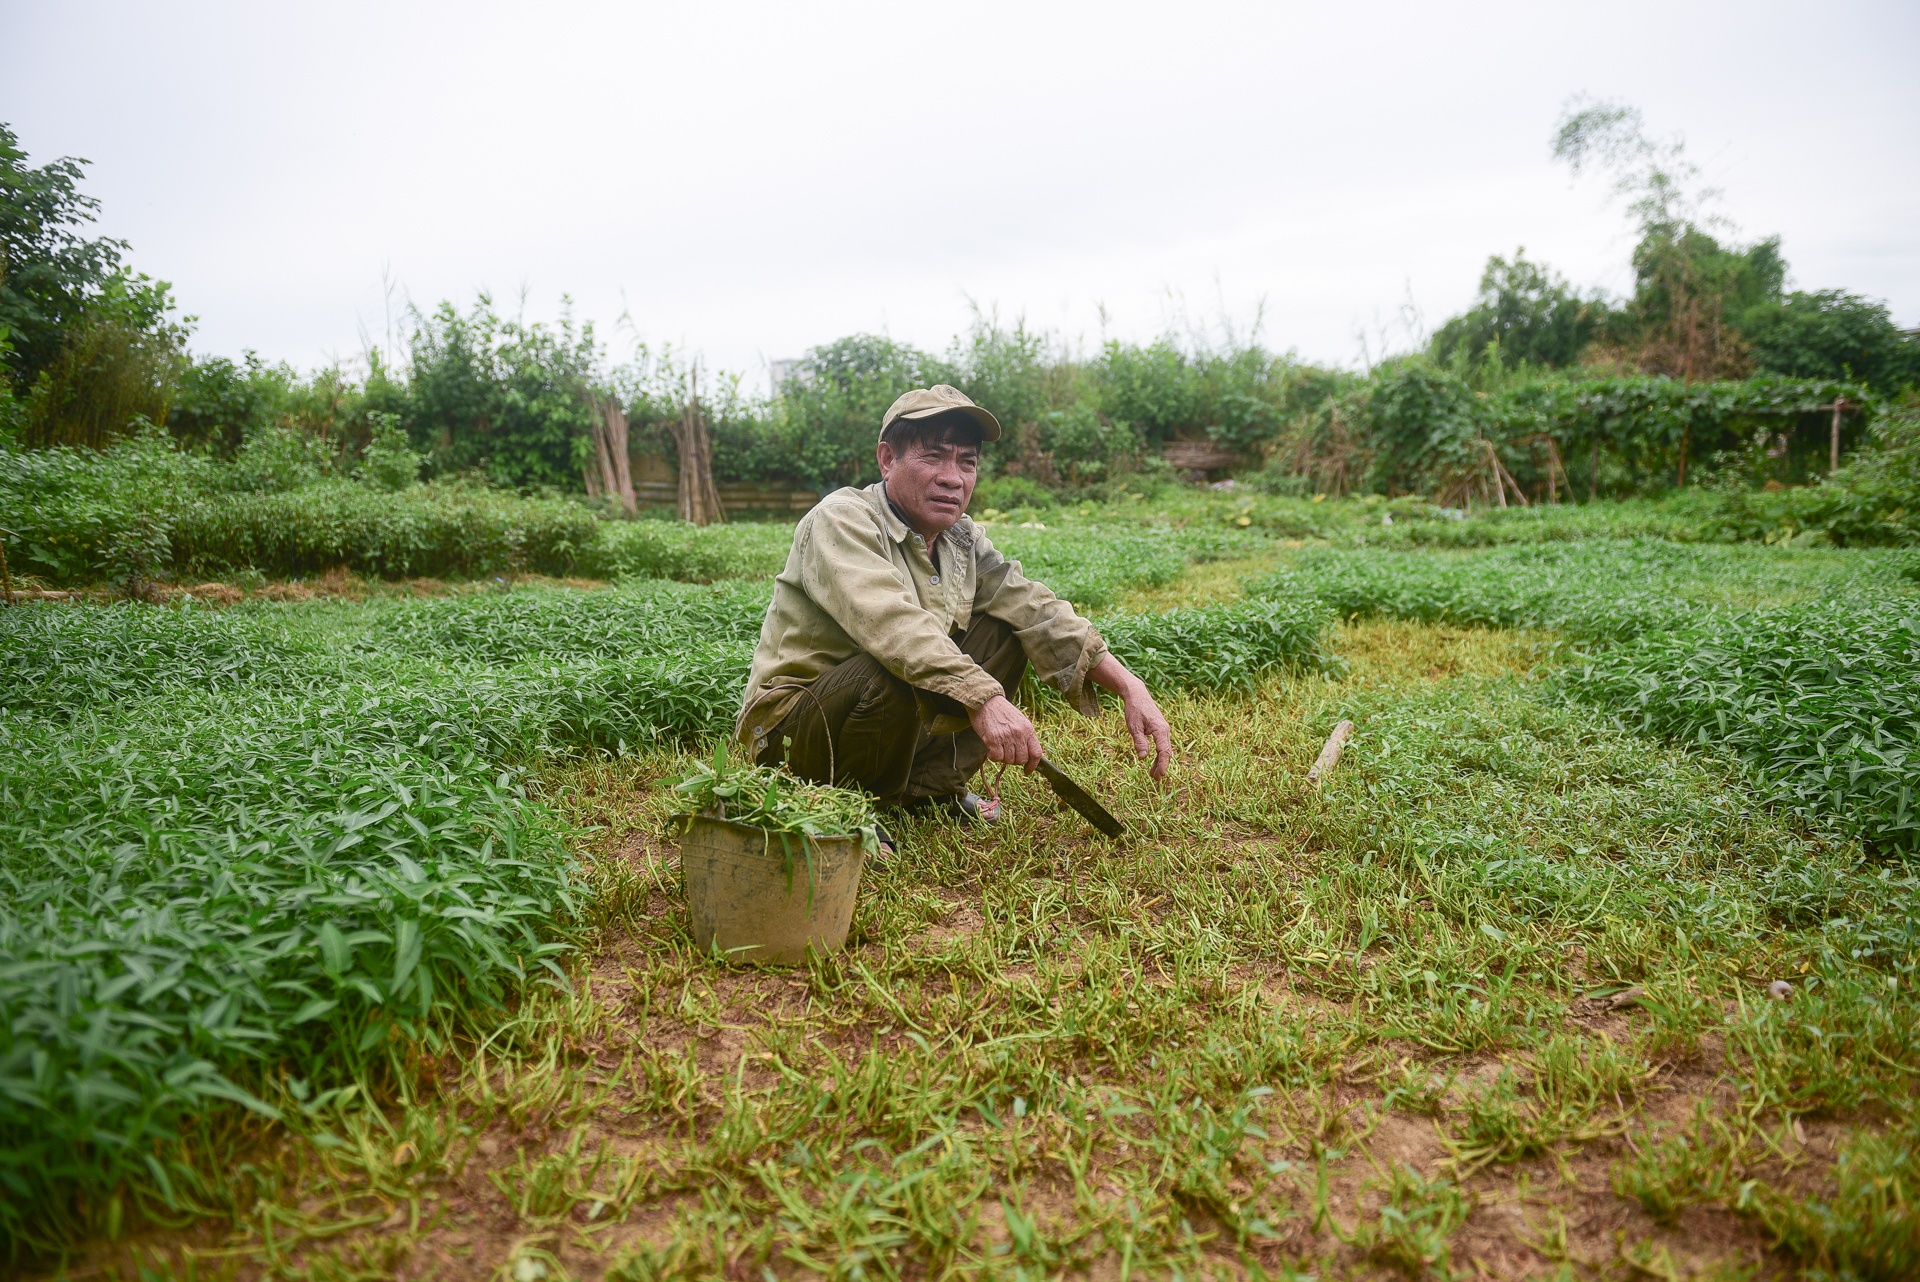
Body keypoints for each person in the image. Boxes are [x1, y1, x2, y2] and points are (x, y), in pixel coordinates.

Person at [737, 384, 1173, 832]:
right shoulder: (842, 519)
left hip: (869, 710)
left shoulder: (959, 537)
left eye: (967, 462)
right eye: (933, 457)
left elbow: (1034, 608)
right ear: (888, 460)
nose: (953, 477)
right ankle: (850, 811)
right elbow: (894, 628)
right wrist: (984, 698)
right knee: (897, 664)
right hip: (791, 732)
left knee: (1006, 628)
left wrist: (1128, 685)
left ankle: (928, 790)